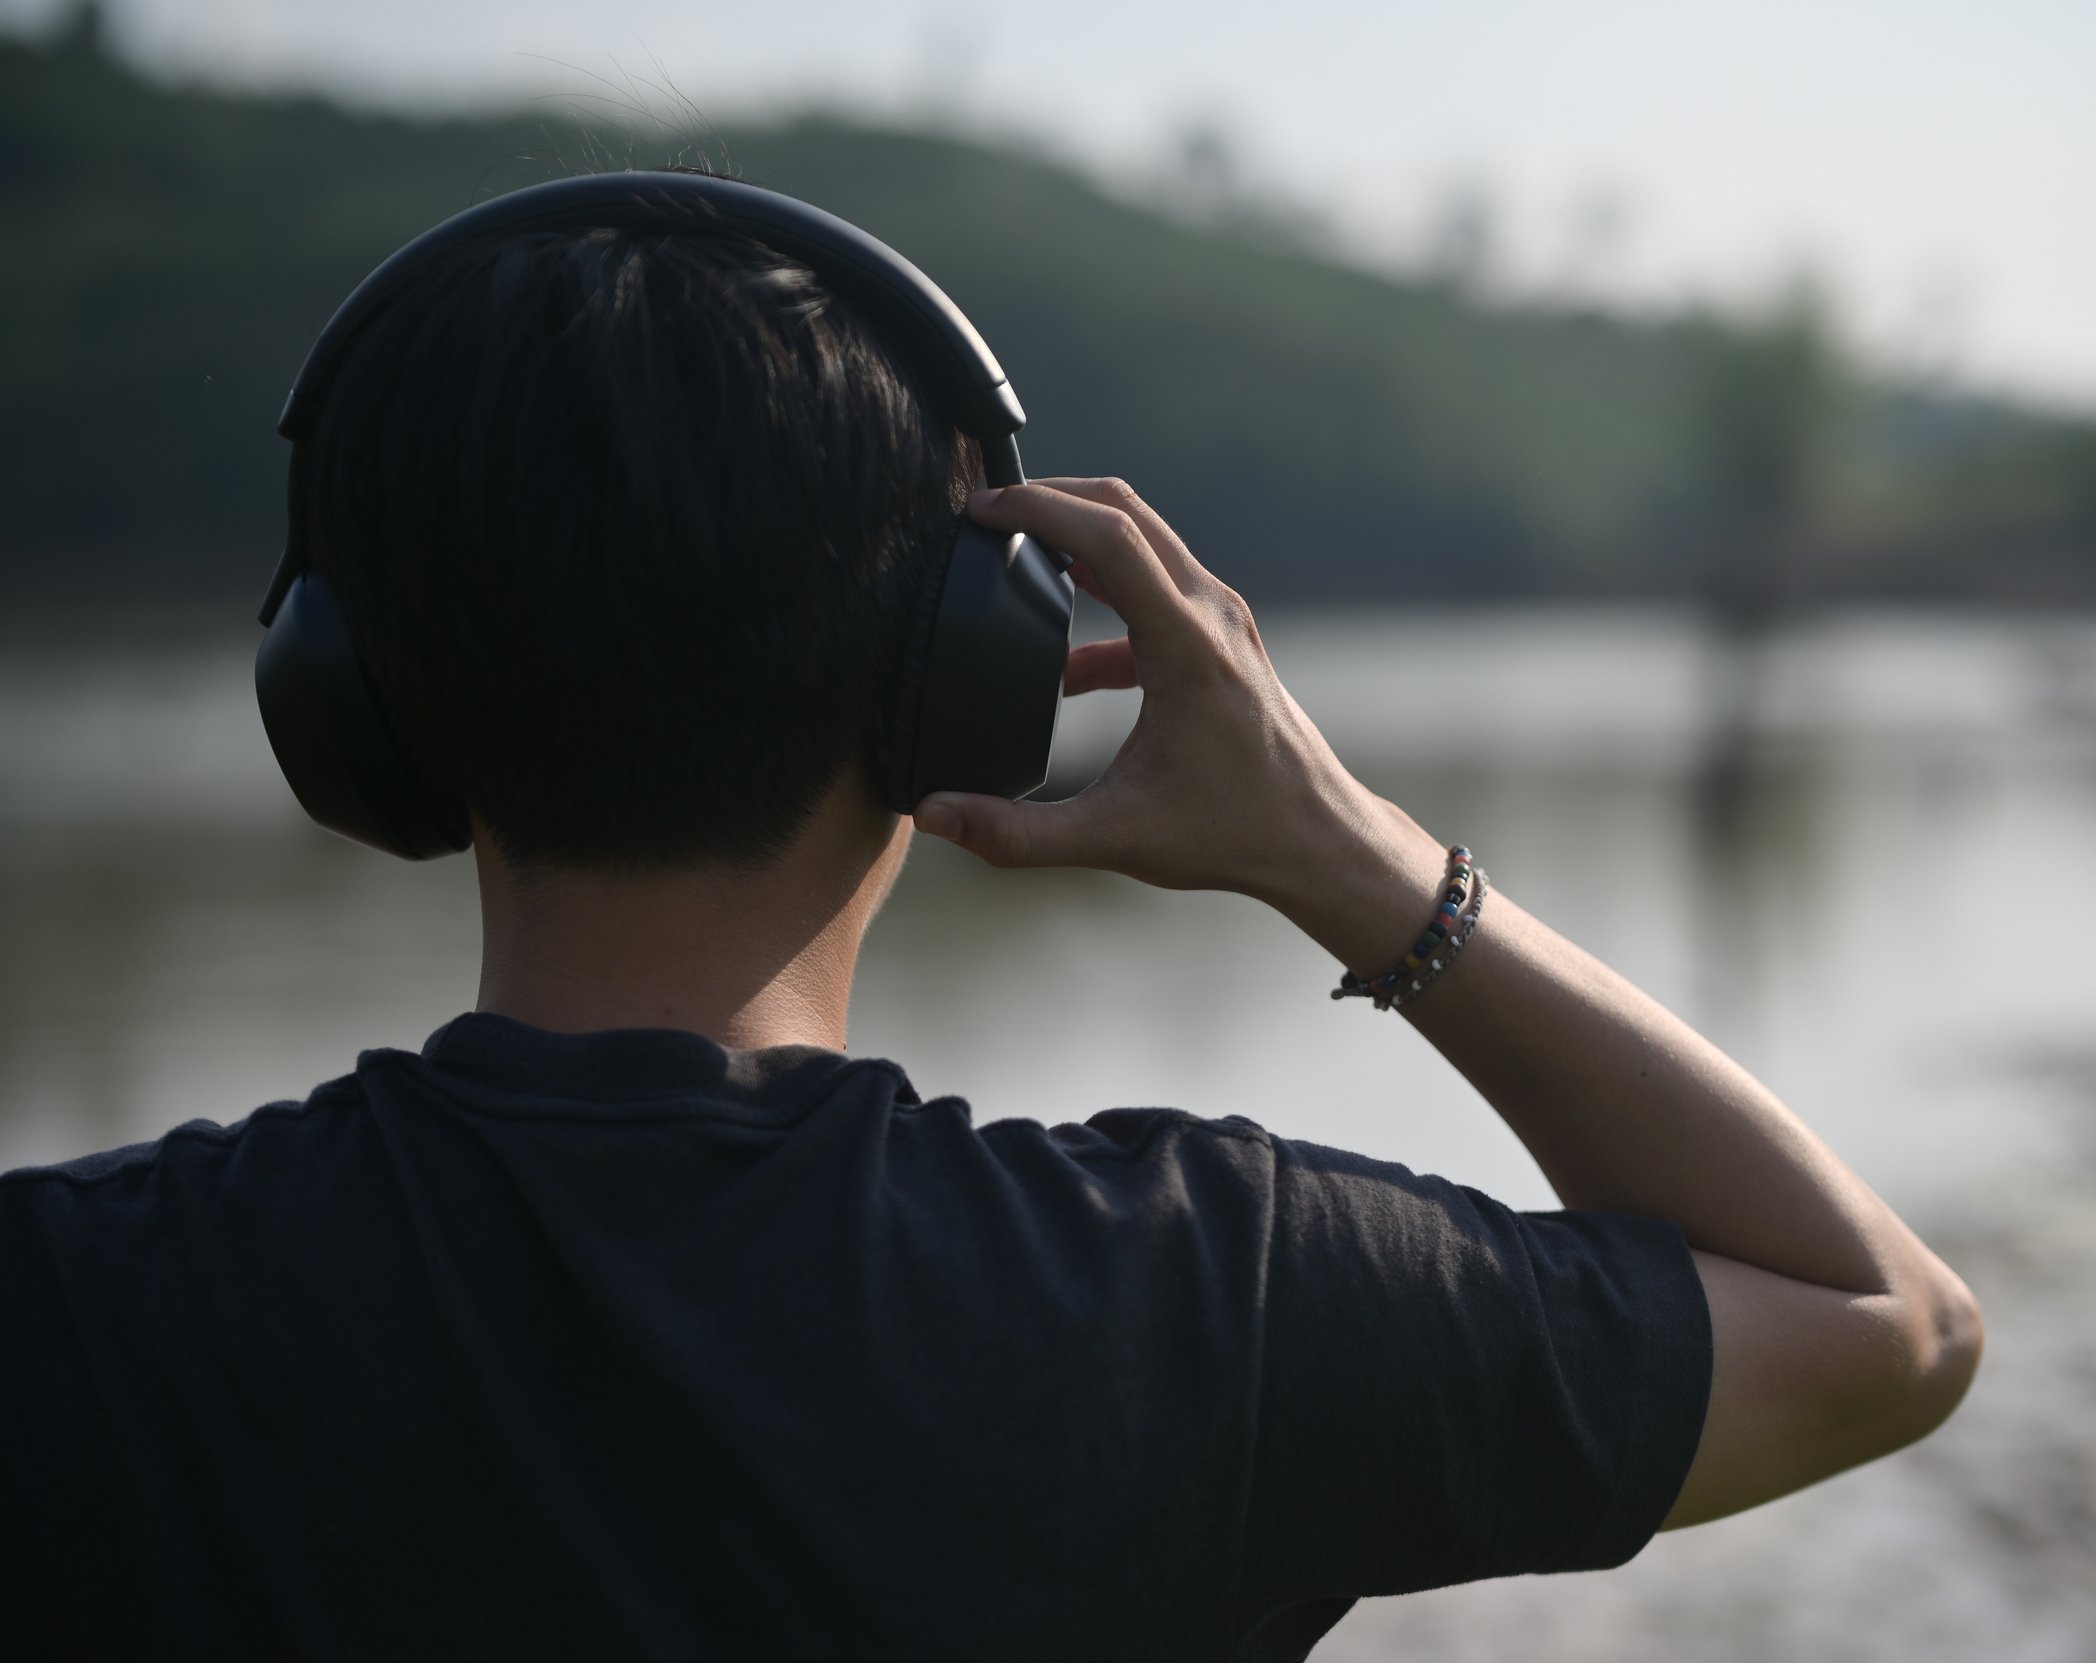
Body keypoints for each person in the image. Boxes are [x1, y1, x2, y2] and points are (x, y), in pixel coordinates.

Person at [0, 197, 1981, 1661]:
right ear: (956, 683)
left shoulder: (72, 1313)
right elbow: (1881, 1327)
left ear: (347, 697)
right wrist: (1355, 855)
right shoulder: (1209, 1303)